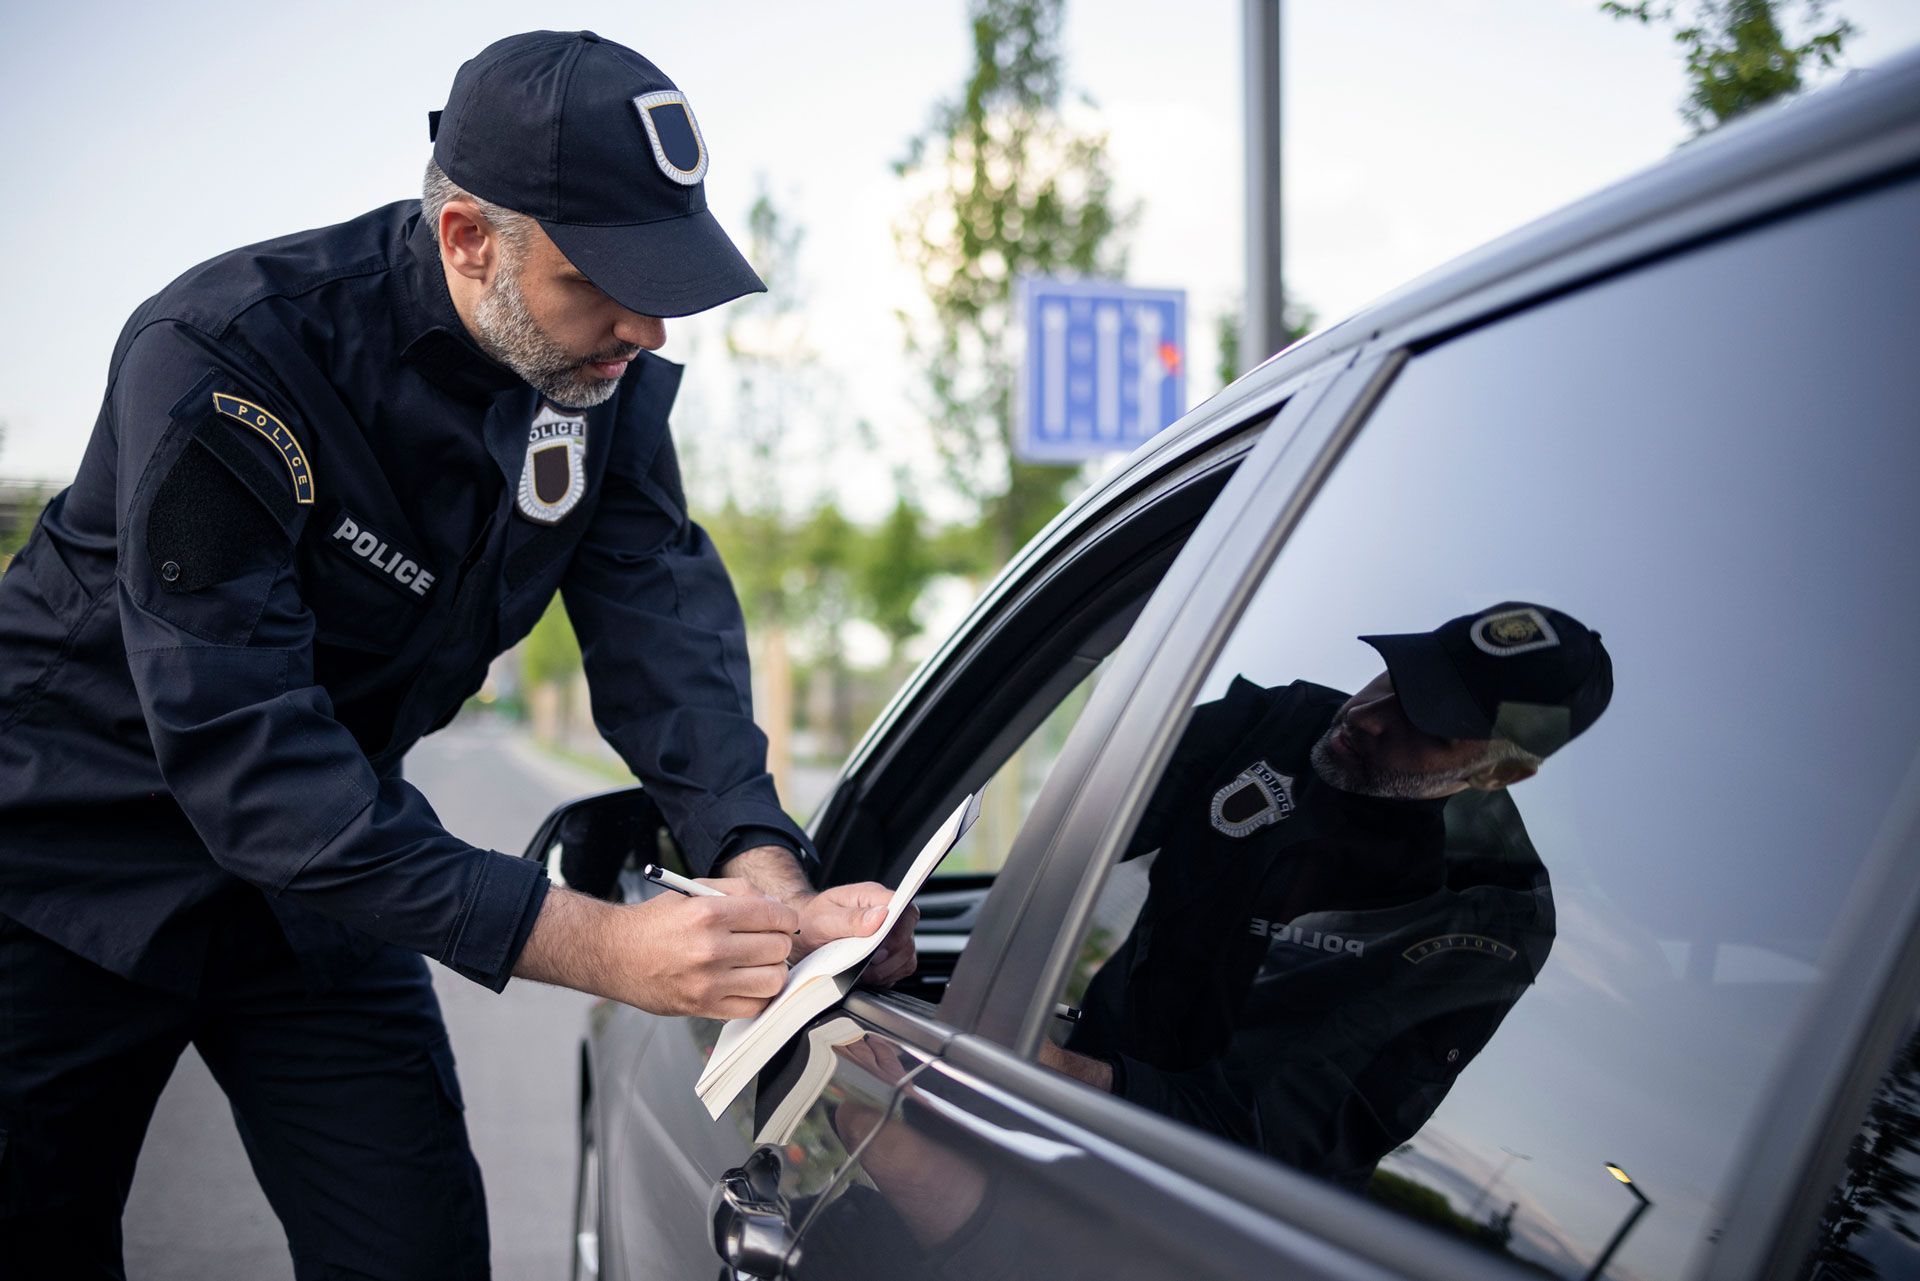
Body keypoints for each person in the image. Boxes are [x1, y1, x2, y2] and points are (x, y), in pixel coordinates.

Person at [0, 31, 914, 1279]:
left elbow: (660, 630)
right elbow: (249, 762)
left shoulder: (595, 383)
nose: (644, 325)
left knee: (415, 1252)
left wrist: (761, 866)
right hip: (64, 872)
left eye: (664, 281)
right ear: (470, 239)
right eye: (605, 280)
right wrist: (609, 949)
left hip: (321, 892)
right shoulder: (229, 360)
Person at [1040, 602, 1614, 1189]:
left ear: (1501, 772)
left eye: (1425, 718)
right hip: (1060, 1105)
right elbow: (1060, 833)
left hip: (1211, 1211)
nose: (1367, 715)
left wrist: (1060, 1069)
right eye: (1398, 677)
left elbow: (1272, 1137)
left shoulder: (1485, 919)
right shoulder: (1274, 726)